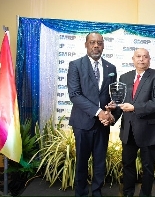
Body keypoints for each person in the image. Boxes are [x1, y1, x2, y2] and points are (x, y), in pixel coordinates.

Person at [107, 48, 155, 196]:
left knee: (148, 167)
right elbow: (121, 103)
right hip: (128, 131)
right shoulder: (125, 77)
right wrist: (112, 114)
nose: (141, 59)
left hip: (149, 131)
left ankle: (145, 194)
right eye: (138, 56)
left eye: (145, 57)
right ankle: (128, 193)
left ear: (149, 59)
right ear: (133, 59)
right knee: (127, 164)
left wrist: (135, 107)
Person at [67, 32, 117, 197]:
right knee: (81, 162)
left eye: (99, 43)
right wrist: (99, 112)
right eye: (92, 42)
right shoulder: (75, 65)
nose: (96, 46)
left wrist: (110, 113)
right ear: (86, 44)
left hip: (102, 125)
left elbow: (112, 96)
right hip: (82, 123)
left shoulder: (111, 68)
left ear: (103, 45)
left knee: (100, 162)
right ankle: (81, 194)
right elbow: (74, 94)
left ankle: (97, 193)